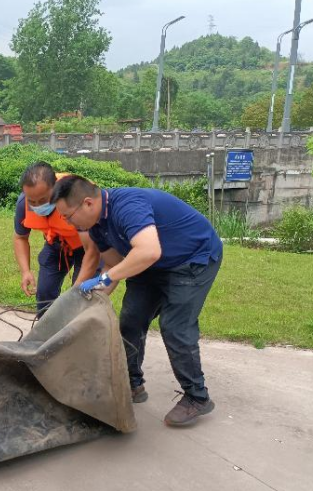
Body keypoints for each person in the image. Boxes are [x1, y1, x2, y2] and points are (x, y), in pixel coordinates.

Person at [51, 175, 223, 427]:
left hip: (192, 259)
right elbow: (114, 264)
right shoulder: (96, 226)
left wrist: (107, 276)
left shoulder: (127, 206)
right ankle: (131, 385)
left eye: (68, 216)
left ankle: (197, 397)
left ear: (87, 203)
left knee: (175, 327)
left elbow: (148, 251)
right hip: (152, 265)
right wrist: (88, 301)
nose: (67, 222)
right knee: (131, 321)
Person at [13, 162, 99, 317]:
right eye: (32, 201)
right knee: (44, 293)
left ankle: (79, 330)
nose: (37, 206)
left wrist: (78, 289)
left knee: (82, 298)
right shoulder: (23, 203)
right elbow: (20, 237)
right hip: (57, 244)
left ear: (56, 188)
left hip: (89, 246)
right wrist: (25, 271)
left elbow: (93, 250)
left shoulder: (77, 199)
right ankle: (45, 330)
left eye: (43, 200)